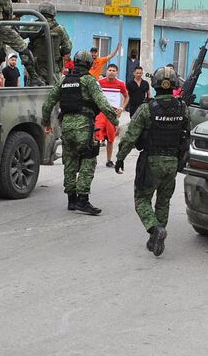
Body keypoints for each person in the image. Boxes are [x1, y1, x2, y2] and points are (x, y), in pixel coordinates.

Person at [114, 66, 191, 256]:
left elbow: (130, 137)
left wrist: (120, 158)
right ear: (174, 85)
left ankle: (155, 230)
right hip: (172, 162)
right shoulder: (183, 108)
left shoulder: (147, 108)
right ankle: (156, 238)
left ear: (155, 85)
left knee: (141, 199)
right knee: (163, 201)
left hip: (151, 162)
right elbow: (187, 133)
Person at [42, 49, 118, 215]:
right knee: (88, 159)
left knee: (69, 160)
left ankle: (71, 200)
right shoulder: (89, 81)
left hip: (66, 126)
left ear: (75, 63)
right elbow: (103, 103)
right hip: (83, 126)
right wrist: (115, 122)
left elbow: (48, 103)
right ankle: (83, 200)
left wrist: (46, 123)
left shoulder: (64, 81)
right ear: (90, 64)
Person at [30, 2, 72, 85]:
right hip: (53, 67)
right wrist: (58, 52)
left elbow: (19, 35)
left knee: (34, 90)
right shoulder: (60, 29)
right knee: (55, 90)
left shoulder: (32, 26)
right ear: (53, 13)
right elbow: (67, 48)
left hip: (36, 68)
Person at [96, 63, 128, 168]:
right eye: (110, 70)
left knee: (110, 138)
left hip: (112, 114)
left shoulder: (120, 83)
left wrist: (121, 108)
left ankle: (109, 160)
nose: (111, 72)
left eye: (113, 71)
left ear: (116, 73)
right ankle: (91, 159)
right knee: (96, 136)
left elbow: (126, 97)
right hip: (101, 112)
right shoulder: (100, 82)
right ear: (106, 71)